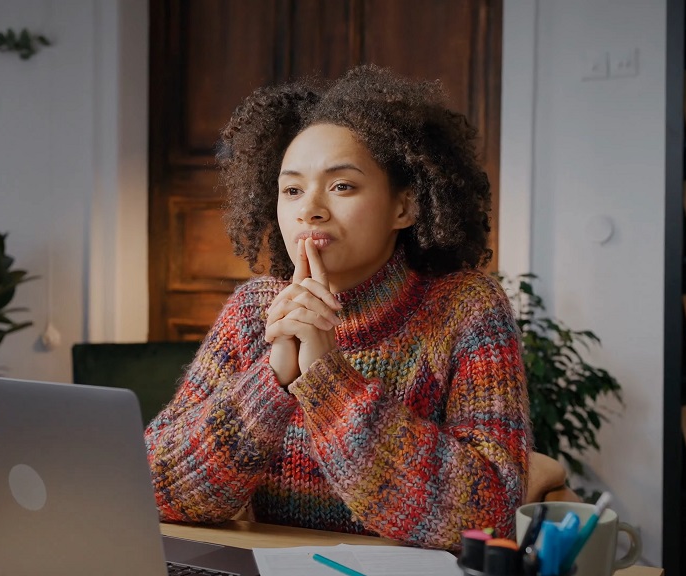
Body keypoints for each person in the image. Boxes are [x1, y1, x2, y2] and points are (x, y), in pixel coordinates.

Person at [145, 64, 543, 550]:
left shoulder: (466, 309)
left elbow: (490, 515)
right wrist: (272, 379)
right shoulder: (253, 311)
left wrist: (329, 382)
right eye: (292, 190)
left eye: (342, 186)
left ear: (405, 207)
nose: (309, 209)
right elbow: (153, 488)